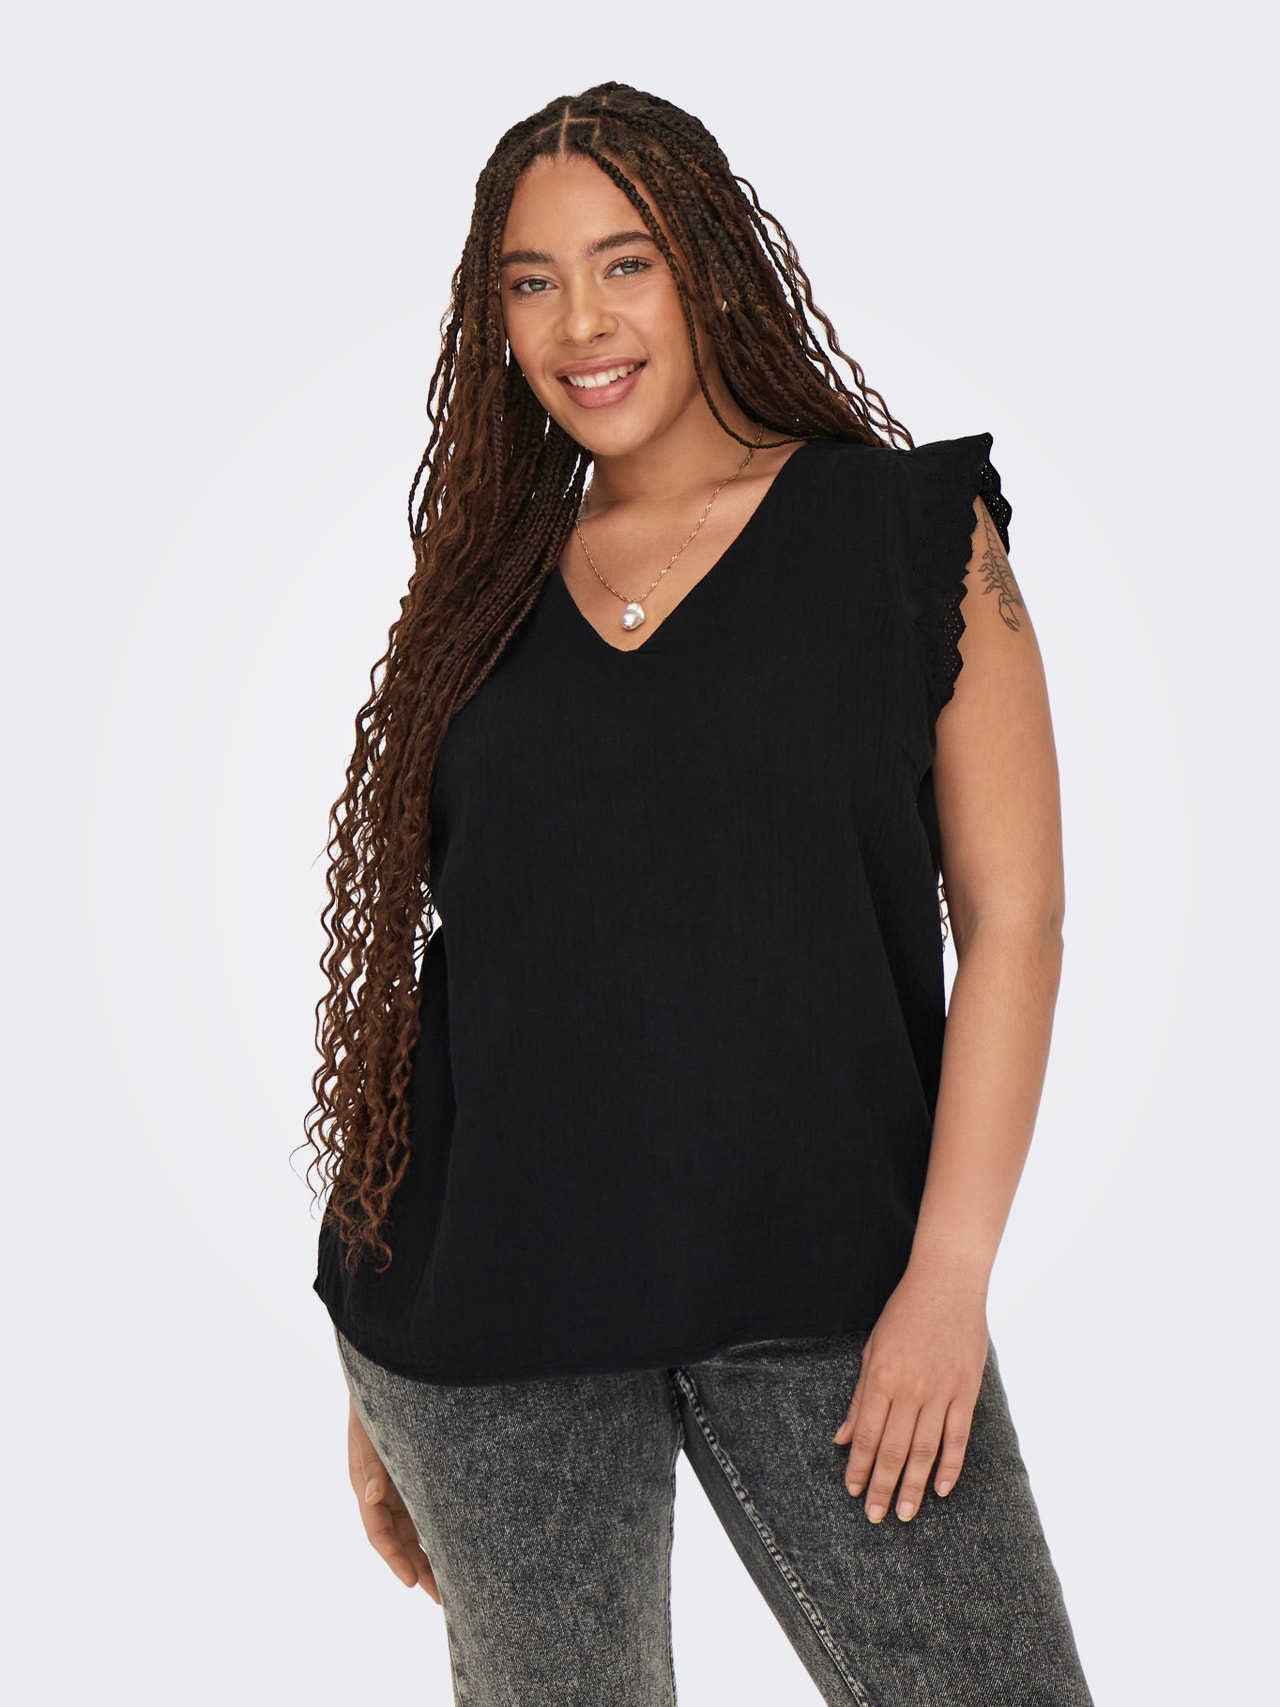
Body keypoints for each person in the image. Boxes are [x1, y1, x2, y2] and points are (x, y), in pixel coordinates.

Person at [304, 81, 1094, 1706]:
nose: (580, 324)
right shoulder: (484, 588)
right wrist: (376, 1375)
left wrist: (949, 1277)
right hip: (484, 1318)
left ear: (709, 269)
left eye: (627, 264)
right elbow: (476, 970)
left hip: (835, 1288)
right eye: (532, 281)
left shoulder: (906, 535)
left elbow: (1016, 923)